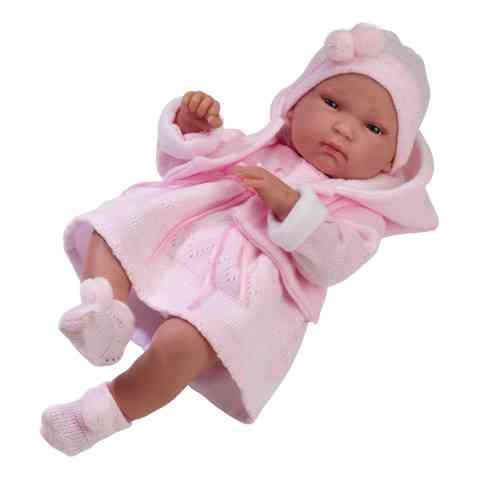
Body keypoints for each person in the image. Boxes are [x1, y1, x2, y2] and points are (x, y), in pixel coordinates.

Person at [39, 22, 439, 456]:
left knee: (180, 348)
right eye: (332, 102)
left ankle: (98, 414)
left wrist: (291, 206)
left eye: (374, 128)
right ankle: (103, 311)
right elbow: (181, 169)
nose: (344, 128)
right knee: (119, 225)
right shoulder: (257, 147)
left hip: (241, 294)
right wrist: (192, 131)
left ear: (391, 164)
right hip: (186, 235)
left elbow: (335, 260)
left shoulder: (358, 214)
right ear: (295, 104)